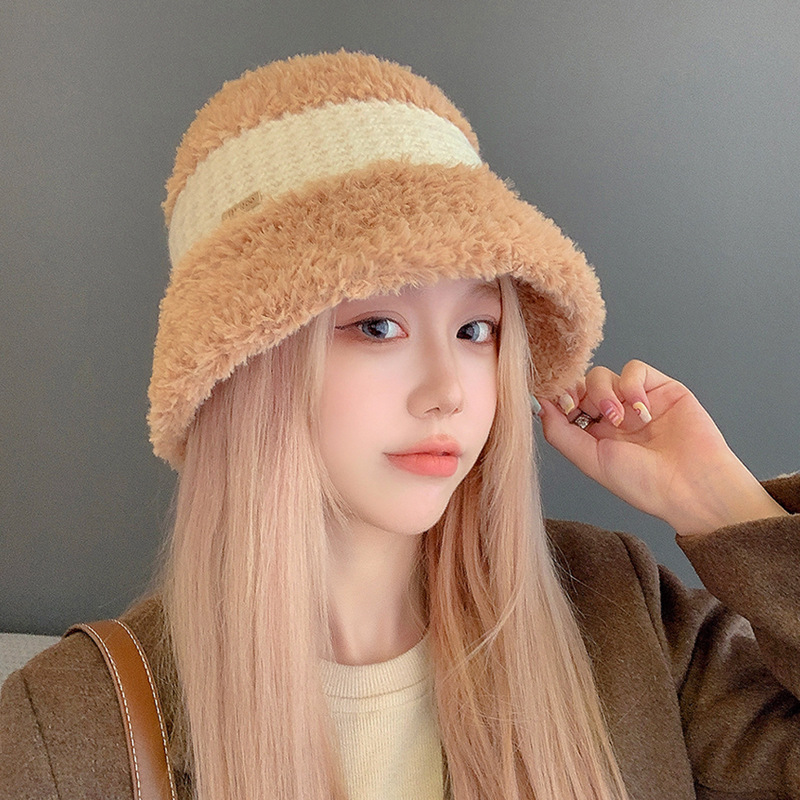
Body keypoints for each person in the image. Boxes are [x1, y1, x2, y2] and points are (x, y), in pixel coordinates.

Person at [0, 49, 797, 800]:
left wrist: (720, 504)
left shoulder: (621, 613)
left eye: (476, 330)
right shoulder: (63, 730)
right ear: (244, 365)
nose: (448, 391)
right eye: (378, 326)